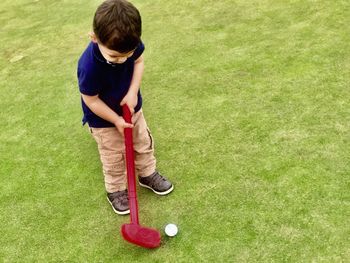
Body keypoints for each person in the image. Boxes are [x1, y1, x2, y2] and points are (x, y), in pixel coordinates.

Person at [77, 0, 173, 215]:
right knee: (113, 154)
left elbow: (138, 63)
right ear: (94, 38)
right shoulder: (89, 66)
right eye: (114, 56)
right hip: (102, 119)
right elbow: (91, 100)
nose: (122, 61)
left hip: (132, 108)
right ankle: (116, 189)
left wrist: (132, 92)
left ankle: (147, 173)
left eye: (126, 55)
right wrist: (116, 120)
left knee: (142, 141)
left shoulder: (131, 44)